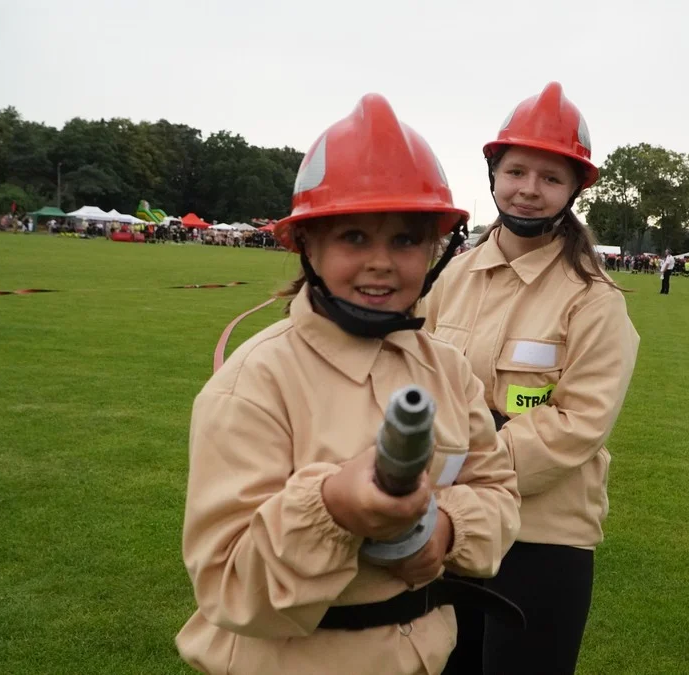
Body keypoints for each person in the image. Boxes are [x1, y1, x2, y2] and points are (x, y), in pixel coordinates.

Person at [174, 94, 521, 675]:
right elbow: (229, 587)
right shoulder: (254, 384)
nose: (382, 262)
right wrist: (331, 507)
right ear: (307, 245)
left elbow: (497, 489)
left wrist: (449, 529)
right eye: (354, 237)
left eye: (406, 240)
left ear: (436, 249)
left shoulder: (448, 370)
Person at [423, 82, 640, 675]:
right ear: (493, 173)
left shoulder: (594, 300)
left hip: (544, 537)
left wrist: (470, 458)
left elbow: (579, 424)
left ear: (574, 190)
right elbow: (413, 375)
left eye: (550, 178)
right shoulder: (454, 274)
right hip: (452, 525)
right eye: (516, 170)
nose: (528, 190)